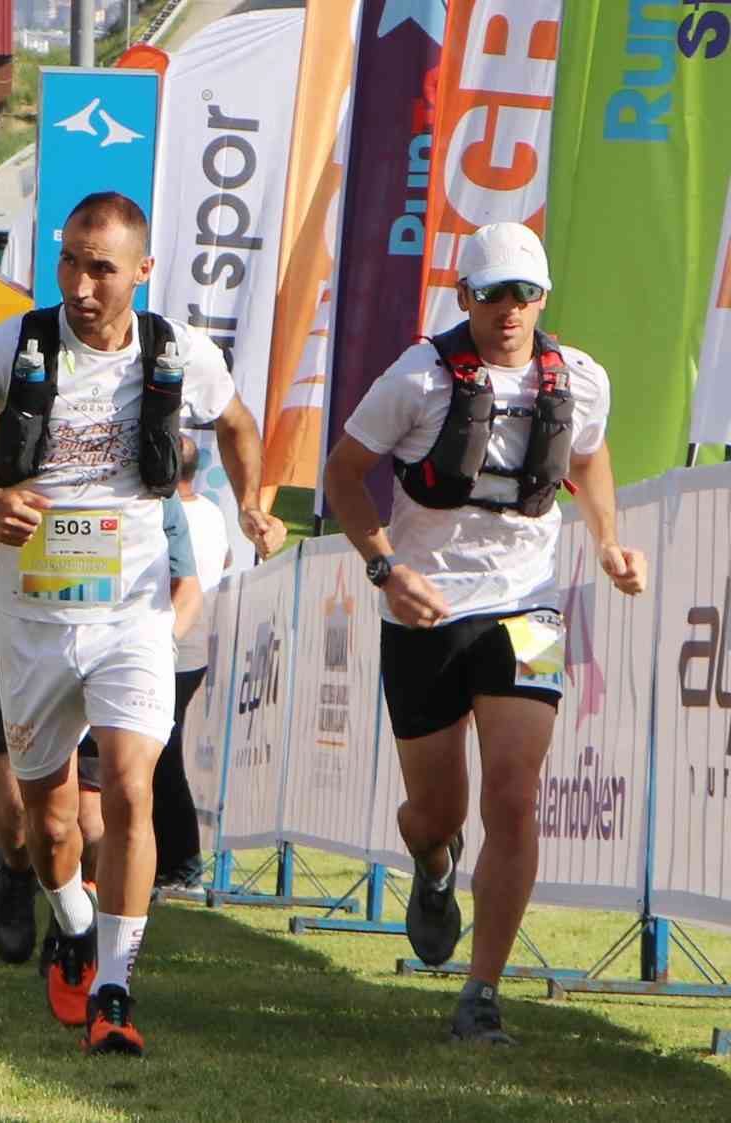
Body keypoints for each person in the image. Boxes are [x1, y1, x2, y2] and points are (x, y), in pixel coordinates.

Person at [0, 190, 278, 1058]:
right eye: (71, 262)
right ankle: (75, 919)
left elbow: (237, 423)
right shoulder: (17, 345)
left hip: (134, 611)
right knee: (48, 829)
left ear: (143, 272)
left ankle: (116, 990)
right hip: (32, 616)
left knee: (127, 789)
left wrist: (259, 507)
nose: (81, 285)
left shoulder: (177, 352)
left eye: (102, 268)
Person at [325, 221, 641, 1046]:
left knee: (513, 789)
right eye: (494, 293)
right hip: (426, 610)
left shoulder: (578, 379)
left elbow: (592, 457)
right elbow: (342, 473)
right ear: (465, 295)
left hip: (528, 607)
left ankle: (483, 992)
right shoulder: (418, 377)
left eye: (525, 294)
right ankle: (433, 870)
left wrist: (605, 540)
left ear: (543, 300)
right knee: (435, 813)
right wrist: (387, 568)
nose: (510, 310)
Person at [155, 437, 227, 889]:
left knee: (162, 755)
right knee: (161, 753)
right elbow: (225, 559)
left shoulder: (175, 515)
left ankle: (182, 863)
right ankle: (172, 861)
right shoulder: (212, 514)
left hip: (174, 647)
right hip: (191, 647)